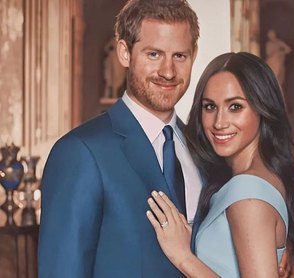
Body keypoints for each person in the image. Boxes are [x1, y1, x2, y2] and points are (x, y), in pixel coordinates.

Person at [38, 1, 202, 277]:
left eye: (180, 56)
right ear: (124, 52)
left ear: (194, 55)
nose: (168, 71)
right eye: (154, 54)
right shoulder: (80, 152)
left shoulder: (204, 152)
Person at [146, 52, 294, 277]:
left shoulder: (247, 193)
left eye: (235, 107)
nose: (219, 122)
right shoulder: (263, 178)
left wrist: (183, 257)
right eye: (210, 107)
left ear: (262, 108)